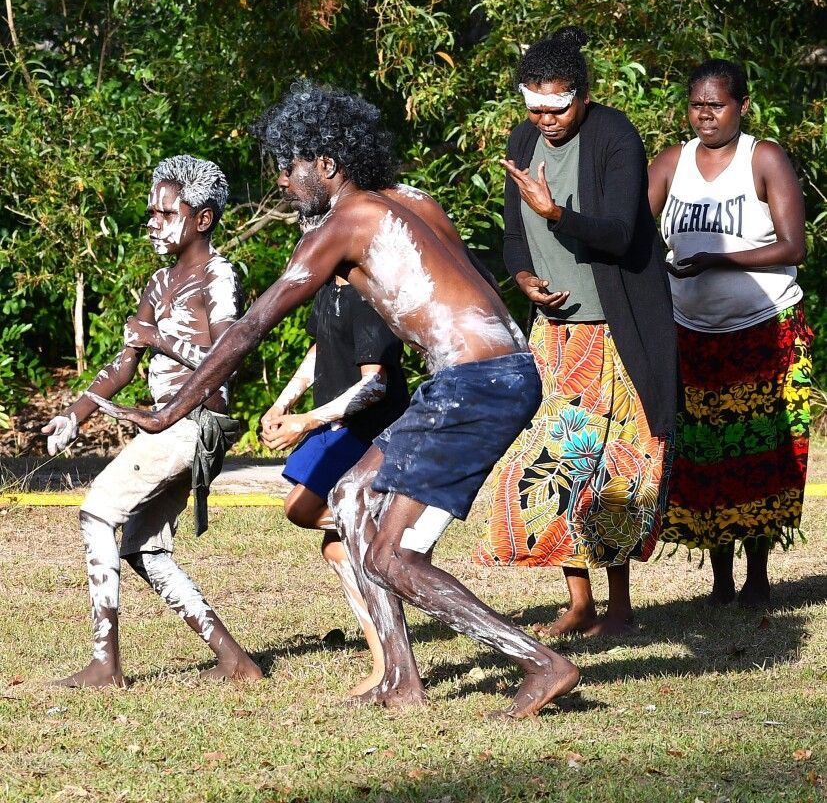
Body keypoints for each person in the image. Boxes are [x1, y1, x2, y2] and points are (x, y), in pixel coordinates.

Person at [97, 82, 580, 719]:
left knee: (391, 552)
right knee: (351, 495)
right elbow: (463, 281)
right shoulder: (413, 204)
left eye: (290, 168)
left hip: (477, 381)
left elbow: (250, 327)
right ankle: (402, 678)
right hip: (491, 371)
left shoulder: (346, 222)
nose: (283, 181)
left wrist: (169, 411)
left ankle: (539, 662)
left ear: (326, 164)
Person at [474, 27, 677, 637]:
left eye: (557, 107)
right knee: (555, 467)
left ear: (581, 97)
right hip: (554, 335)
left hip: (614, 332)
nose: (545, 119)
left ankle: (619, 607)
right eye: (534, 107)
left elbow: (621, 231)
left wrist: (555, 212)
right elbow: (513, 238)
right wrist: (525, 276)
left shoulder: (615, 137)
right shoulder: (522, 140)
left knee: (612, 470)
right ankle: (579, 602)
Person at [42, 155, 263, 687]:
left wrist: (159, 338)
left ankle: (105, 663)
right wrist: (77, 412)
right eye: (150, 213)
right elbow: (125, 362)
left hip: (195, 424)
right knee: (143, 547)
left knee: (97, 511)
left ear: (202, 219)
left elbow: (230, 353)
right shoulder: (158, 281)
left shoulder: (219, 275)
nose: (152, 223)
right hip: (166, 428)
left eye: (166, 212)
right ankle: (237, 662)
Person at [648, 58, 811, 607]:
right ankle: (719, 579)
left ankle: (758, 576)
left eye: (717, 105)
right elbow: (638, 236)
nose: (705, 115)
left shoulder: (762, 158)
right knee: (704, 453)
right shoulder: (672, 163)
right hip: (690, 334)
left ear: (742, 105)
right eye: (697, 105)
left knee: (760, 452)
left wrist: (719, 260)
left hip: (763, 331)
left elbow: (794, 246)